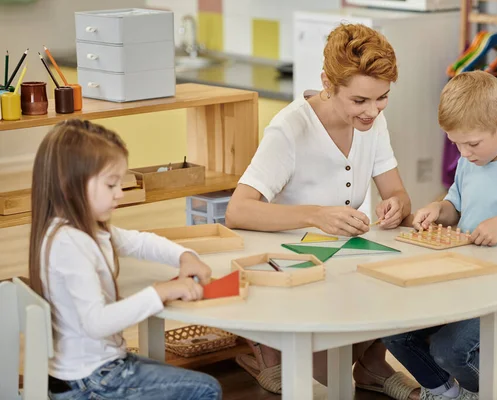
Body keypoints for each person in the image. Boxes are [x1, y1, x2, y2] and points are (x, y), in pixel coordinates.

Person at [225, 23, 415, 399]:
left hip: (343, 260)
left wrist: (397, 206)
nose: (372, 111)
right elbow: (237, 211)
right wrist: (315, 215)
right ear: (328, 83)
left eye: (382, 98)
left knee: (406, 280)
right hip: (293, 267)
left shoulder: (374, 123)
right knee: (322, 375)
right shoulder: (290, 128)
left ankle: (373, 364)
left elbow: (396, 192)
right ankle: (267, 348)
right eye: (359, 101)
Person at [382, 71, 497, 400]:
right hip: (465, 282)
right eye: (456, 143)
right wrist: (437, 209)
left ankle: (485, 392)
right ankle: (446, 392)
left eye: (471, 143)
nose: (464, 153)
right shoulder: (471, 161)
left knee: (449, 350)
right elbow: (456, 207)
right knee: (393, 330)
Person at [28, 119, 222, 400]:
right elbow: (96, 322)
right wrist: (160, 291)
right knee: (206, 390)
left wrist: (185, 255)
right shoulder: (69, 243)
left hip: (95, 371)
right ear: (69, 185)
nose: (120, 193)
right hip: (90, 381)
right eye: (111, 184)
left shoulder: (83, 228)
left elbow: (139, 242)